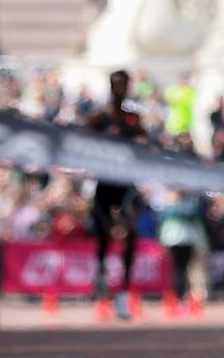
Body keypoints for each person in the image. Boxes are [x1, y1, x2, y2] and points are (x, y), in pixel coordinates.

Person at [83, 70, 150, 320]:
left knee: (129, 234)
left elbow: (145, 142)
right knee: (103, 234)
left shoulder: (132, 118)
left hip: (127, 185)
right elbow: (83, 140)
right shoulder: (100, 118)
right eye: (116, 84)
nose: (120, 88)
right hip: (104, 182)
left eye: (124, 84)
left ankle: (123, 292)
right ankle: (100, 275)